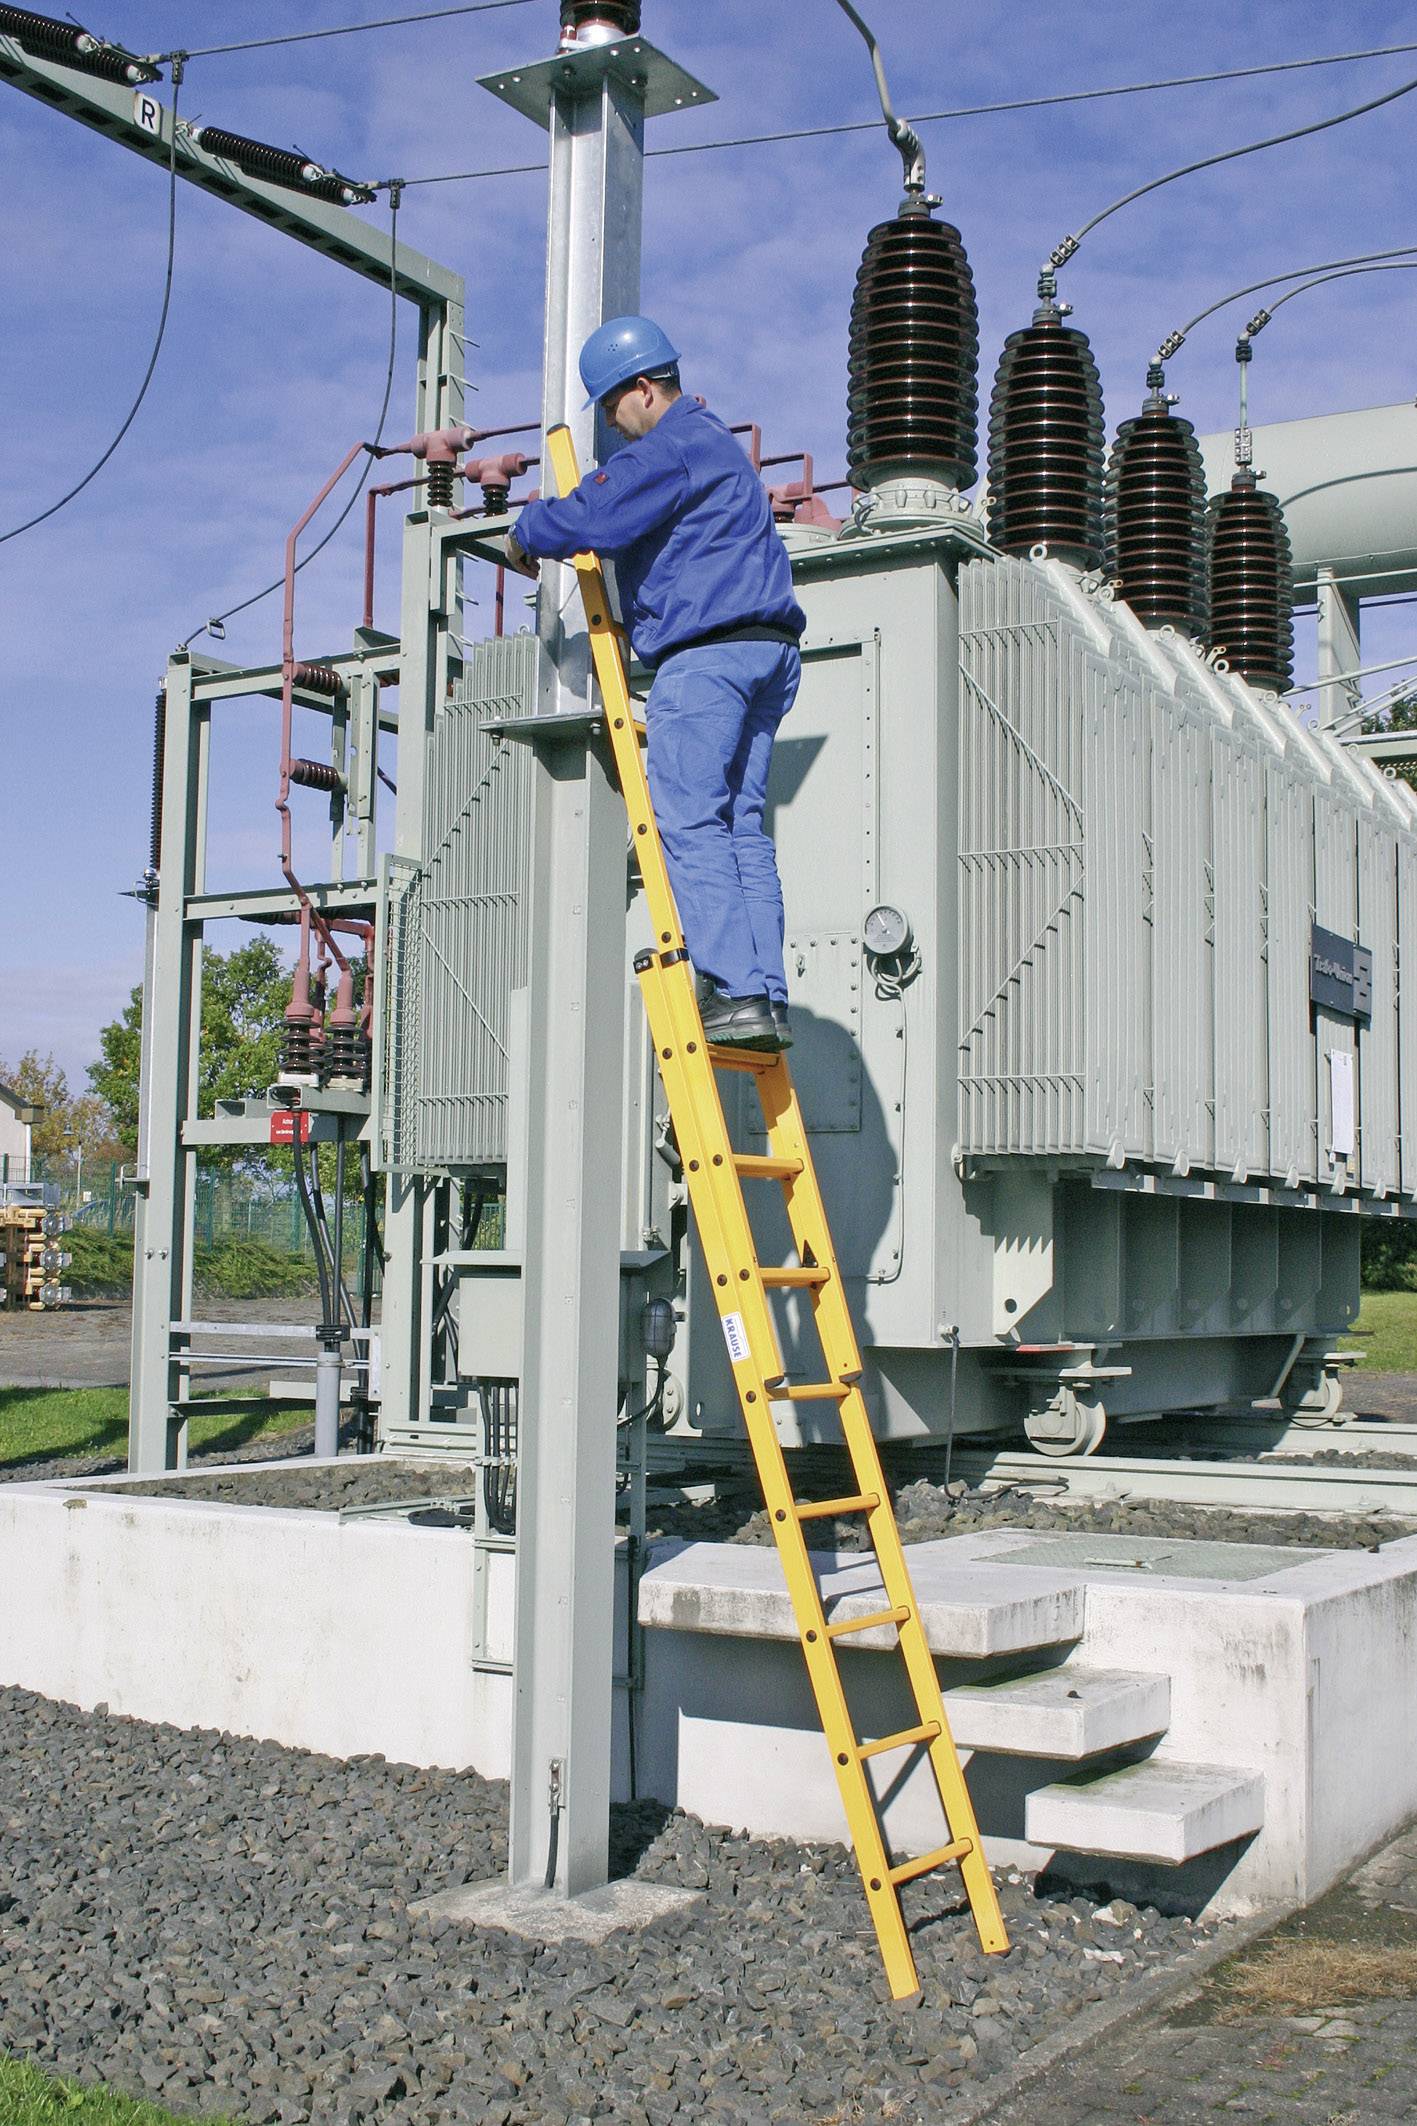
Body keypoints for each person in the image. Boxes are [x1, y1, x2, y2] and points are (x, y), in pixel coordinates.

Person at [506, 315, 806, 1051]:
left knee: (691, 824)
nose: (614, 425)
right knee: (740, 830)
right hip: (767, 653)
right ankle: (762, 992)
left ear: (643, 387)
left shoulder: (672, 447)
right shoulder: (719, 449)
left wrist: (523, 533)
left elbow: (591, 513)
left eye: (612, 407)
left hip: (704, 658)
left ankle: (732, 989)